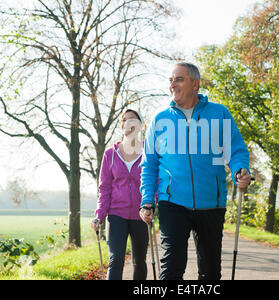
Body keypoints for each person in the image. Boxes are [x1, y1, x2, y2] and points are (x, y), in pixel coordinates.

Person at [139, 62, 251, 280]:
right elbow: (149, 165)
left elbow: (236, 150)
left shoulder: (219, 114)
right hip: (173, 202)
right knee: (171, 270)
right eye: (171, 80)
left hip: (211, 202)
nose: (172, 84)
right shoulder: (160, 120)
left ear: (195, 84)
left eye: (179, 79)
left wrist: (240, 171)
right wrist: (147, 199)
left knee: (210, 273)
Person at [92, 108, 148, 280]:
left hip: (141, 214)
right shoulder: (110, 154)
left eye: (132, 120)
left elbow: (154, 181)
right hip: (116, 214)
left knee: (139, 261)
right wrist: (99, 215)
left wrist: (149, 205)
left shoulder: (148, 152)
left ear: (140, 126)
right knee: (116, 259)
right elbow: (104, 188)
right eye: (124, 120)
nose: (127, 123)